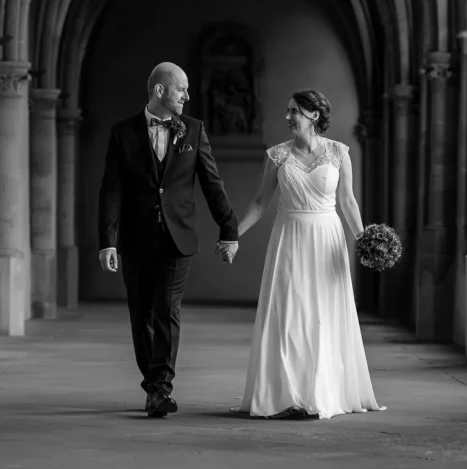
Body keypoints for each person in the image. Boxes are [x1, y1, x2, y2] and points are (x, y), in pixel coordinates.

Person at [233, 89, 385, 419]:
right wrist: (233, 235)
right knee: (290, 315)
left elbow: (347, 201)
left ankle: (322, 393)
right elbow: (261, 203)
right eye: (288, 111)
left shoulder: (339, 152)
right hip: (289, 238)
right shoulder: (276, 156)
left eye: (294, 111)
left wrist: (365, 240)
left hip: (327, 239)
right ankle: (288, 395)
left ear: (313, 115)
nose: (288, 117)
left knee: (324, 316)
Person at [98, 62, 239, 418]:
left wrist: (229, 228)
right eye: (181, 89)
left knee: (167, 310)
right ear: (160, 91)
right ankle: (153, 384)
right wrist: (108, 241)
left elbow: (212, 182)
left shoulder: (193, 130)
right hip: (135, 239)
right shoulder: (123, 133)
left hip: (178, 238)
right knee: (140, 314)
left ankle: (161, 387)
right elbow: (111, 190)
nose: (187, 96)